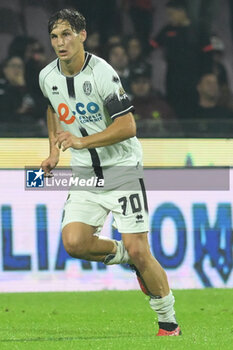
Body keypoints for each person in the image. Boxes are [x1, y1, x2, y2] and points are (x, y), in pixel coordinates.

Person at [39, 8, 181, 336]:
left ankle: (169, 323)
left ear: (82, 35)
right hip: (86, 174)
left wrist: (81, 140)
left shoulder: (102, 73)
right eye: (55, 36)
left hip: (122, 170)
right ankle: (124, 255)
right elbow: (51, 105)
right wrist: (52, 152)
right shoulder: (47, 75)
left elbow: (128, 126)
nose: (60, 42)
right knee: (74, 242)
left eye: (67, 34)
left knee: (140, 248)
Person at [150, 0, 214, 119]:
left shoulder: (198, 30)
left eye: (171, 14)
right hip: (173, 78)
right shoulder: (168, 30)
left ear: (182, 12)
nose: (170, 18)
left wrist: (207, 74)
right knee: (173, 106)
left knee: (192, 107)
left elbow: (208, 54)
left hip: (194, 77)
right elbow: (152, 45)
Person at [130, 69, 179, 136]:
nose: (140, 86)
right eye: (136, 82)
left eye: (144, 82)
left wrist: (161, 127)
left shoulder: (162, 107)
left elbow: (177, 132)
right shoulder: (126, 108)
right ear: (131, 85)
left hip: (159, 144)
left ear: (150, 84)